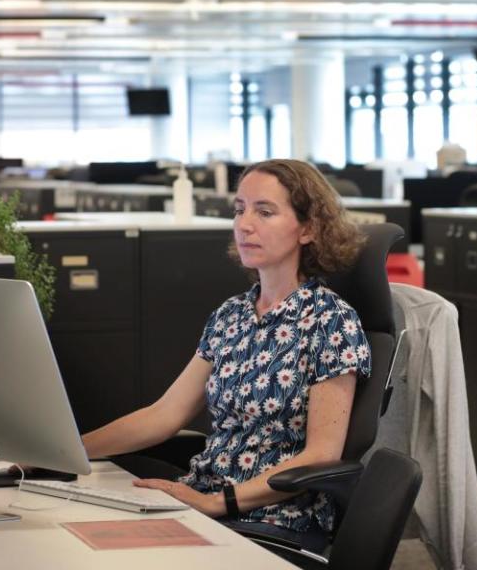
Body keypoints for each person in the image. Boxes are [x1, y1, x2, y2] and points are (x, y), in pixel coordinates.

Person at [82, 159, 371, 552]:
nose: (244, 224)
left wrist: (218, 503)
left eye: (264, 212)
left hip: (272, 520)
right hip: (200, 499)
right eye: (239, 209)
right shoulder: (231, 314)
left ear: (308, 229)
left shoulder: (331, 321)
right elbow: (164, 415)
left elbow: (322, 454)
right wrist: (69, 452)